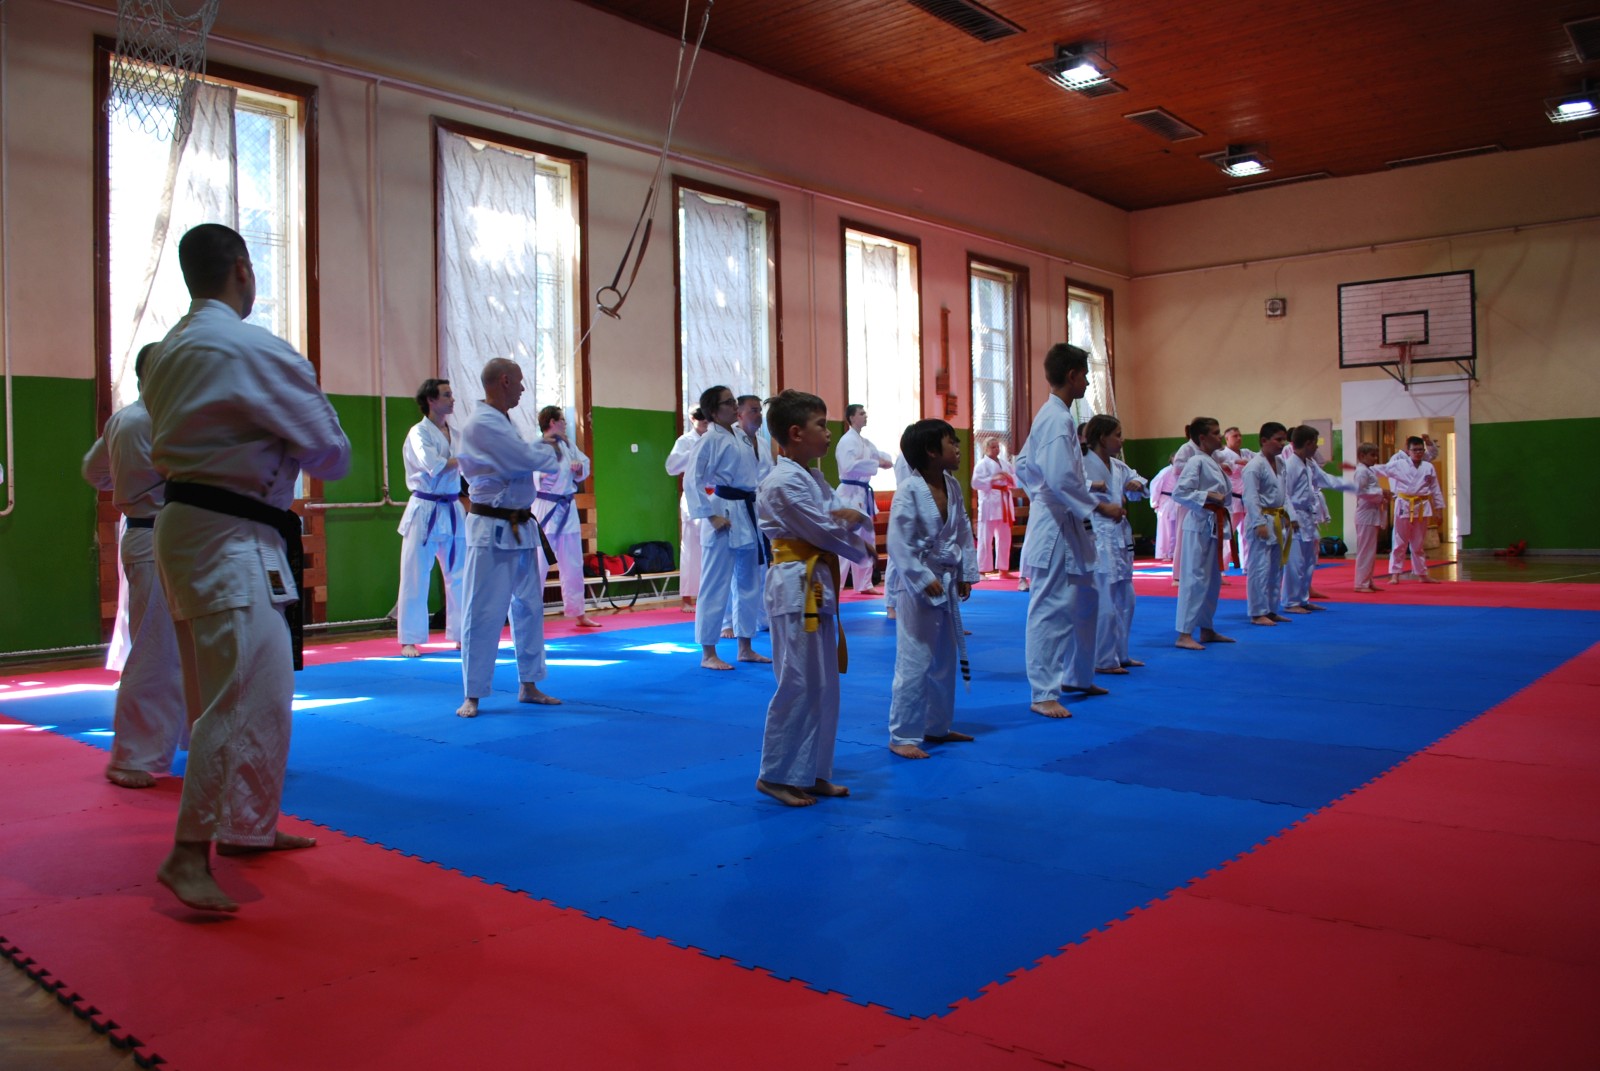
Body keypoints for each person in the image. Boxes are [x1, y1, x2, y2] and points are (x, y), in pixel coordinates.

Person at [143, 223, 351, 912]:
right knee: (239, 691)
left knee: (245, 685)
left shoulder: (168, 350)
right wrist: (287, 440)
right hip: (230, 533)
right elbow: (332, 453)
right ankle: (187, 852)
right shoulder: (253, 348)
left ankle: (246, 825)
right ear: (241, 270)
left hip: (191, 524)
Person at [755, 389, 875, 805]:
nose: (828, 432)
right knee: (798, 681)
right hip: (794, 586)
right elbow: (825, 527)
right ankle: (775, 775)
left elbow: (841, 513)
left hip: (815, 583)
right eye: (820, 425)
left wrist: (854, 520)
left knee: (824, 685)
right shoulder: (782, 482)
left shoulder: (811, 477)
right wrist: (857, 537)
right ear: (795, 433)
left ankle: (811, 772)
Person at [81, 343, 185, 789]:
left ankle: (189, 738)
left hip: (149, 534)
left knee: (182, 645)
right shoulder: (160, 421)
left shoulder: (123, 419)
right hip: (157, 535)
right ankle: (131, 756)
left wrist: (125, 484)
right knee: (155, 648)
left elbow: (93, 471)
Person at [1015, 343, 1123, 718]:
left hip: (1065, 519)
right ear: (1073, 375)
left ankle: (1078, 675)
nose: (1088, 382)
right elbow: (1058, 477)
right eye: (1086, 375)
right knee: (1050, 607)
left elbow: (1026, 464)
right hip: (1056, 524)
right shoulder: (1056, 419)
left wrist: (1050, 491)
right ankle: (1043, 692)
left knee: (1086, 599)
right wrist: (1098, 505)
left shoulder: (1053, 415)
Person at [455, 359, 565, 718]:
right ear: (504, 381)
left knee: (529, 607)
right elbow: (522, 460)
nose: (522, 388)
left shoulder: (503, 421)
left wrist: (541, 448)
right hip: (490, 528)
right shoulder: (482, 423)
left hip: (521, 526)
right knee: (483, 611)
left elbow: (525, 458)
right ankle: (473, 693)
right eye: (518, 381)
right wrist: (546, 447)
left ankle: (529, 684)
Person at [886, 419, 980, 759]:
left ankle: (936, 726)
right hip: (917, 587)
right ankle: (902, 735)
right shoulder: (909, 490)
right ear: (930, 451)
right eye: (950, 441)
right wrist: (923, 578)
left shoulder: (952, 485)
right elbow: (898, 543)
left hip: (947, 579)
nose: (958, 446)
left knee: (944, 658)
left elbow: (963, 530)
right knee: (915, 658)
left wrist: (966, 572)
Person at [689, 385, 769, 670]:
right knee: (715, 584)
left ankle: (745, 646)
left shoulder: (741, 437)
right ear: (713, 411)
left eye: (735, 401)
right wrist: (710, 516)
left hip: (747, 511)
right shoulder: (709, 439)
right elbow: (692, 479)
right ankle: (708, 653)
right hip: (722, 511)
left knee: (749, 582)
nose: (734, 406)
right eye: (728, 403)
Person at [396, 378, 466, 657]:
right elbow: (434, 466)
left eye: (451, 394)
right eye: (446, 395)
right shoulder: (418, 433)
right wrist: (468, 458)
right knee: (415, 574)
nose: (452, 399)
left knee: (459, 573)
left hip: (452, 506)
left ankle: (461, 634)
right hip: (424, 509)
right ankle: (409, 639)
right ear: (431, 400)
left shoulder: (456, 434)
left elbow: (468, 471)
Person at [1082, 415, 1145, 675]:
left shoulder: (1118, 466)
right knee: (1104, 601)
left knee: (1126, 599)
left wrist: (1137, 484)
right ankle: (1103, 659)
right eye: (1117, 435)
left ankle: (1121, 653)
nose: (1122, 440)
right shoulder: (1082, 464)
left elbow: (1139, 482)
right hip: (1096, 536)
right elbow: (1070, 489)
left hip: (1119, 537)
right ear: (1101, 437)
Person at [534, 404, 600, 629]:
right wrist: (541, 475)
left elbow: (584, 466)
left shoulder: (568, 445)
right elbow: (527, 472)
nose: (566, 423)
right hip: (545, 508)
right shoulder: (537, 447)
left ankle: (578, 612)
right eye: (562, 420)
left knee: (573, 562)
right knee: (538, 563)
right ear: (552, 422)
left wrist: (578, 467)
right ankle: (532, 615)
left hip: (567, 508)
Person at [1172, 417, 1235, 650]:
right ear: (1202, 438)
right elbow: (1179, 493)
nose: (1220, 436)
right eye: (1216, 433)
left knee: (1212, 580)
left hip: (1212, 524)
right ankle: (1184, 634)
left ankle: (1206, 628)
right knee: (1194, 579)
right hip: (1198, 524)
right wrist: (1207, 496)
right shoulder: (1195, 460)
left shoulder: (1211, 460)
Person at [1280, 425, 1356, 612]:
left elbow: (1327, 480)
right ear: (1308, 443)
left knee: (1309, 561)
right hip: (1295, 518)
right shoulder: (1290, 465)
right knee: (1295, 562)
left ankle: (1303, 599)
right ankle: (1291, 602)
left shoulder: (1309, 464)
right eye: (1315, 443)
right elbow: (1284, 494)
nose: (1317, 447)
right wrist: (1292, 517)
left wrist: (1352, 486)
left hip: (1308, 516)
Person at [833, 403, 892, 595]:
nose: (865, 416)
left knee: (867, 538)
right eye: (861, 413)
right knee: (847, 540)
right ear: (851, 418)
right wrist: (875, 464)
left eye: (865, 412)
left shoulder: (864, 442)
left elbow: (881, 456)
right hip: (849, 494)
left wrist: (885, 461)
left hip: (862, 494)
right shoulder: (846, 441)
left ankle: (865, 583)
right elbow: (848, 466)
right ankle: (837, 584)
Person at [1241, 423, 1294, 626]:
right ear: (1264, 441)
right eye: (1278, 439)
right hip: (1262, 519)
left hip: (1277, 518)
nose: (1283, 444)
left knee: (1276, 568)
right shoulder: (1254, 466)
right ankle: (1257, 612)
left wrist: (1289, 516)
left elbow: (1284, 493)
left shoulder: (1281, 463)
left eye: (1284, 439)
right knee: (1259, 568)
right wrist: (1258, 523)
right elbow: (1250, 497)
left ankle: (1272, 609)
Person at [664, 407, 709, 612]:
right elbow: (671, 467)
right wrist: (694, 453)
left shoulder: (714, 439)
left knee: (712, 547)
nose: (705, 421)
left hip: (715, 496)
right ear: (692, 419)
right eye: (700, 418)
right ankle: (687, 598)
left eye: (707, 418)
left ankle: (707, 595)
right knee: (691, 547)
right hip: (693, 497)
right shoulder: (685, 441)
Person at [1386, 435, 1445, 584]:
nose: (1418, 452)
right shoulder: (1397, 461)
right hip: (1403, 503)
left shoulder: (1427, 466)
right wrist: (1393, 493)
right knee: (1399, 541)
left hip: (1422, 506)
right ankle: (1395, 574)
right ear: (1408, 449)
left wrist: (1439, 510)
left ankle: (1422, 574)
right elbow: (1386, 473)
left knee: (1418, 543)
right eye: (1415, 450)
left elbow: (1435, 489)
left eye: (1421, 450)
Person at [971, 436, 1018, 577]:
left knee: (1005, 538)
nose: (996, 449)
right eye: (993, 447)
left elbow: (1015, 479)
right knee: (985, 539)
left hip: (1004, 502)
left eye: (997, 446)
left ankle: (1003, 570)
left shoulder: (1005, 463)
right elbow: (975, 483)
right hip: (989, 505)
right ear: (986, 448)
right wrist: (993, 479)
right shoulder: (981, 464)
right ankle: (982, 571)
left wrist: (1009, 478)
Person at [1217, 426, 1255, 572]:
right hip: (1231, 499)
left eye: (1240, 435)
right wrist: (1235, 463)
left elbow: (1260, 459)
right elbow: (1217, 466)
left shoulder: (1247, 453)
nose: (1239, 438)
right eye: (1235, 436)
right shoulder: (1222, 455)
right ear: (1227, 439)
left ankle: (1248, 566)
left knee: (1248, 533)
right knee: (1226, 534)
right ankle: (1220, 568)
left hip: (1247, 499)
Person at [1148, 462, 1180, 563]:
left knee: (1175, 529)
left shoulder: (1182, 471)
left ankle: (1174, 553)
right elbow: (1155, 485)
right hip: (1166, 501)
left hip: (1177, 501)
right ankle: (1164, 553)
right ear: (1172, 460)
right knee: (1166, 529)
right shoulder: (1166, 471)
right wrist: (1154, 503)